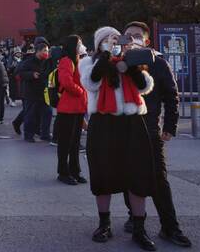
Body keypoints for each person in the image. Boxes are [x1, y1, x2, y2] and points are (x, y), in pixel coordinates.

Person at [79, 26, 157, 251]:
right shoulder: (90, 62)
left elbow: (145, 86)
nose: (111, 42)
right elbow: (91, 83)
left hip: (132, 121)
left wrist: (129, 66)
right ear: (98, 44)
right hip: (103, 122)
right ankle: (104, 224)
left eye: (114, 39)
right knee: (103, 173)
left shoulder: (132, 58)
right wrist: (105, 56)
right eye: (106, 40)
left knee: (138, 173)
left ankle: (139, 229)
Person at [121, 21, 192, 247]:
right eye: (127, 36)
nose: (131, 40)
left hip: (150, 130)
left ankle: (170, 227)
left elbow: (172, 96)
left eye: (136, 36)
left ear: (147, 41)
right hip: (123, 130)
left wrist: (170, 127)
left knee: (159, 179)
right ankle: (135, 218)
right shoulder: (117, 65)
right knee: (128, 177)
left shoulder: (159, 64)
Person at [55, 35, 88, 186]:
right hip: (68, 108)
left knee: (75, 142)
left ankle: (75, 171)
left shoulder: (78, 60)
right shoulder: (66, 61)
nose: (81, 45)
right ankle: (63, 172)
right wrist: (80, 91)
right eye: (79, 43)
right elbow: (66, 81)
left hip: (78, 108)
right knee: (65, 143)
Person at [18, 41, 51, 142]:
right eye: (45, 50)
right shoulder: (28, 61)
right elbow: (21, 73)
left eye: (47, 51)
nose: (47, 53)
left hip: (44, 92)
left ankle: (45, 134)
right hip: (31, 92)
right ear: (38, 51)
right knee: (31, 115)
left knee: (47, 113)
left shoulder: (47, 61)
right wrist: (32, 74)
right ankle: (28, 135)